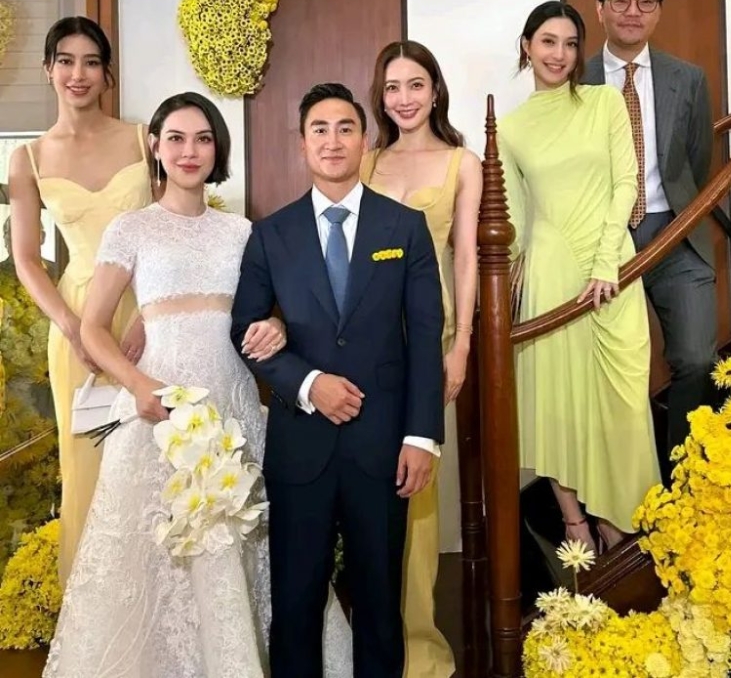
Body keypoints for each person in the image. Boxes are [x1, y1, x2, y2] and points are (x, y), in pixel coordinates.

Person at [42, 91, 354, 677]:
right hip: (158, 411)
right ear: (155, 147)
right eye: (177, 139)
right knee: (157, 553)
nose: (190, 151)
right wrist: (138, 385)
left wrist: (277, 326)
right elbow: (92, 327)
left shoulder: (242, 232)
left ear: (217, 149)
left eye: (203, 139)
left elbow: (279, 312)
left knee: (247, 540)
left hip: (233, 406)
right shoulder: (131, 228)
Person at [232, 82, 445, 678]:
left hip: (384, 447)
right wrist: (307, 384)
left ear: (365, 140)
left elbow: (425, 337)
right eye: (319, 129)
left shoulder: (405, 227)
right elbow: (245, 329)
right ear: (302, 143)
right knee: (295, 604)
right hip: (301, 447)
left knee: (380, 604)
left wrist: (421, 437)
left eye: (345, 128)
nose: (333, 140)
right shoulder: (270, 234)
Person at [497, 1, 661, 551]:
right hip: (551, 272)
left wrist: (605, 262)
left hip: (612, 266)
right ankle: (576, 521)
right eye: (548, 41)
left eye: (570, 44)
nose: (560, 54)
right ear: (527, 46)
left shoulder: (604, 102)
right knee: (558, 403)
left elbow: (627, 183)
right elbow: (516, 217)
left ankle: (622, 518)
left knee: (623, 402)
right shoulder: (510, 128)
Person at [8, 16, 152, 584]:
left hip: (147, 311)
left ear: (106, 73)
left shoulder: (143, 138)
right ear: (48, 69)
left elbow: (172, 226)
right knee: (89, 468)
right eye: (66, 61)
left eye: (91, 62)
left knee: (156, 459)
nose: (78, 73)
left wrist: (151, 313)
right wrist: (72, 327)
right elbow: (26, 258)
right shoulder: (29, 158)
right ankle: (96, 615)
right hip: (76, 322)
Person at [361, 41, 481, 678]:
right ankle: (374, 641)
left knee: (422, 496)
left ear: (435, 90)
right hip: (366, 342)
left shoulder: (464, 163)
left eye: (414, 85)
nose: (403, 99)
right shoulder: (365, 160)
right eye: (391, 88)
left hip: (429, 339)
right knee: (370, 488)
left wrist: (461, 345)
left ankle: (417, 642)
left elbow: (466, 258)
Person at [583, 0, 717, 455]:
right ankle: (623, 482)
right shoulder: (576, 79)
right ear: (600, 9)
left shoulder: (689, 78)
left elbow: (697, 160)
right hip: (602, 241)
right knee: (609, 371)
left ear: (659, 11)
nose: (632, 11)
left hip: (674, 234)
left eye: (645, 2)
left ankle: (685, 479)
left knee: (697, 359)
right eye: (620, 1)